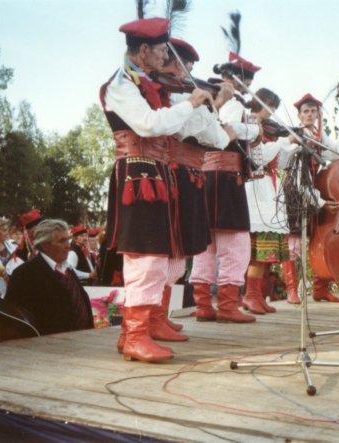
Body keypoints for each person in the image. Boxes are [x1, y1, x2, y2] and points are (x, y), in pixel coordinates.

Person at [100, 17, 213, 362]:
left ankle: (139, 329)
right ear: (145, 49)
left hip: (156, 173)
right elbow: (149, 125)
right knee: (145, 256)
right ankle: (135, 335)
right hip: (138, 177)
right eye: (163, 50)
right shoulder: (121, 85)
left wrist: (199, 108)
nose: (166, 57)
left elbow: (177, 129)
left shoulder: (148, 84)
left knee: (158, 256)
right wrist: (191, 104)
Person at [161, 37, 235, 326]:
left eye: (189, 69)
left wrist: (211, 108)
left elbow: (214, 138)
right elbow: (197, 132)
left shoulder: (184, 96)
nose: (187, 74)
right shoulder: (172, 96)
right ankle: (154, 317)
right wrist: (216, 103)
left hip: (190, 175)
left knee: (179, 253)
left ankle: (159, 316)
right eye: (185, 67)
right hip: (173, 173)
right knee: (167, 251)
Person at [187, 51, 261, 324]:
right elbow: (226, 127)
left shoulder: (209, 95)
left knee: (206, 243)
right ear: (235, 79)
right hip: (227, 177)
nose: (247, 87)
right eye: (246, 82)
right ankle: (228, 306)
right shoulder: (232, 100)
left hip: (207, 175)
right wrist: (255, 130)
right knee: (236, 243)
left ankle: (204, 305)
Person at [281, 93, 339, 303]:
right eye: (306, 111)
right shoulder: (295, 137)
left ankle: (320, 289)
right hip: (295, 193)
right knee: (294, 244)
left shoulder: (319, 136)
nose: (310, 114)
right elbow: (298, 180)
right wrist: (320, 202)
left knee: (319, 241)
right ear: (299, 115)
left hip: (313, 191)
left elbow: (337, 152)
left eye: (313, 111)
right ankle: (291, 290)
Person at [241, 88, 299, 314]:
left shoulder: (266, 129)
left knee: (266, 249)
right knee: (259, 247)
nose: (272, 111)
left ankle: (256, 294)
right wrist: (284, 141)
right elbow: (259, 156)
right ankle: (250, 294)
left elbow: (279, 162)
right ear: (261, 102)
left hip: (269, 187)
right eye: (271, 106)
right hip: (256, 188)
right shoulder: (249, 122)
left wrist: (293, 147)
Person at [5, 219, 94, 335]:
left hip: (82, 339)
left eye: (67, 239)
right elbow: (16, 318)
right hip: (50, 343)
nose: (68, 246)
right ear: (45, 246)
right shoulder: (25, 274)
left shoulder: (67, 268)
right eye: (62, 241)